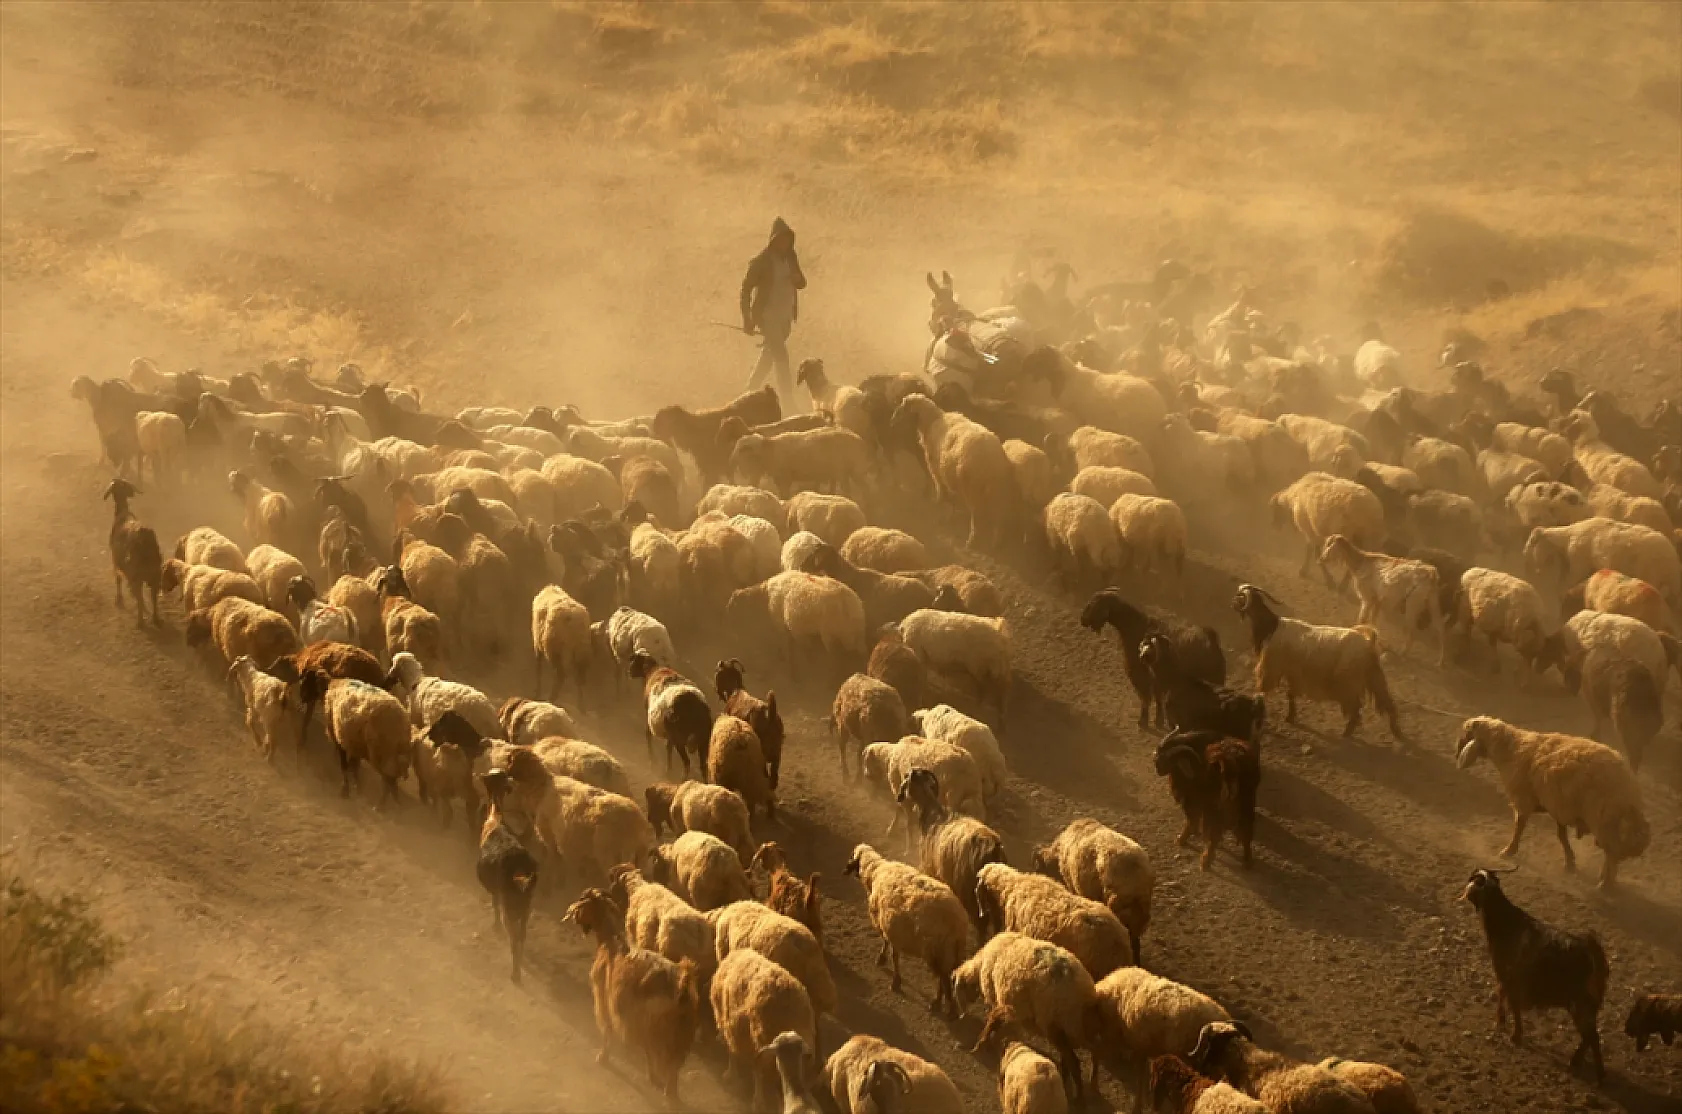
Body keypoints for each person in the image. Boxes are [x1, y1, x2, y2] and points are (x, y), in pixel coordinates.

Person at [739, 217, 806, 397]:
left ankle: (749, 390)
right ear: (774, 239)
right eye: (781, 239)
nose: (785, 243)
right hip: (767, 317)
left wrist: (797, 279)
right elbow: (745, 290)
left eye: (788, 239)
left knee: (769, 356)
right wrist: (747, 318)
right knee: (781, 358)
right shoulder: (761, 261)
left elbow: (802, 282)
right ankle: (788, 402)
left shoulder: (791, 257)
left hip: (785, 317)